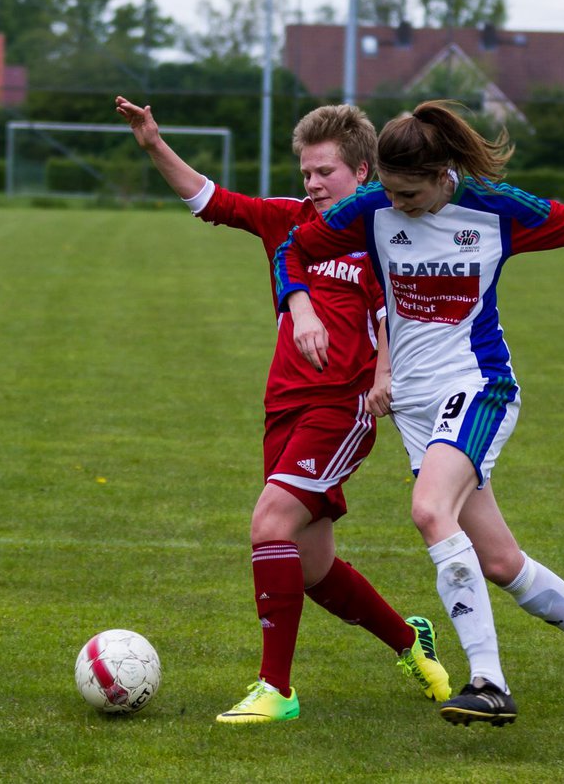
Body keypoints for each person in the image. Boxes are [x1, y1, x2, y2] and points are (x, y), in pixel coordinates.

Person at [273, 100, 564, 727]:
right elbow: (293, 251)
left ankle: (489, 683)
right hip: (418, 406)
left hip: (479, 384)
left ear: (445, 174)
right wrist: (301, 306)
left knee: (429, 511)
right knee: (500, 562)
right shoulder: (373, 209)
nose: (398, 204)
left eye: (410, 193)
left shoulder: (496, 208)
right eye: (388, 191)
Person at [114, 95, 450, 725]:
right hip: (283, 409)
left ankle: (277, 689)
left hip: (341, 409)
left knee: (270, 524)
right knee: (315, 568)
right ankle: (411, 642)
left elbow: (396, 318)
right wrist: (153, 142)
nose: (314, 183)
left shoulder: (384, 233)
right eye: (306, 173)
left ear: (361, 173)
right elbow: (212, 201)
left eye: (326, 172)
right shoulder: (289, 223)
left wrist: (382, 376)